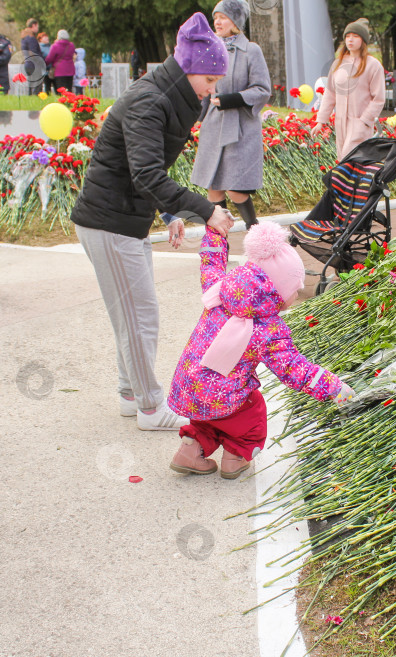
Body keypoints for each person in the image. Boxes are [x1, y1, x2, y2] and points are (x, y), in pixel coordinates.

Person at [70, 13, 235, 431]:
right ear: (191, 68)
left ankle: (130, 394)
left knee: (134, 314)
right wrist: (205, 209)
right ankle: (149, 406)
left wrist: (168, 211)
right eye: (210, 80)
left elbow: (143, 167)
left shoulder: (165, 94)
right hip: (109, 222)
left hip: (125, 220)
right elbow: (146, 174)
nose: (211, 90)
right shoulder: (151, 101)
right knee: (139, 317)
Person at [167, 222, 354, 478]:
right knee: (252, 411)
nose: (296, 296)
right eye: (294, 290)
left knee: (208, 415)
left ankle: (189, 450)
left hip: (187, 387)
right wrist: (333, 387)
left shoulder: (220, 289)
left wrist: (215, 233)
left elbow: (210, 263)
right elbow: (294, 368)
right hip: (222, 399)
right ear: (276, 290)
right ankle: (235, 458)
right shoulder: (268, 327)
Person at [191, 0, 271, 230]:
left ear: (236, 22)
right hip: (214, 125)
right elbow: (203, 90)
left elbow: (263, 89)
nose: (217, 21)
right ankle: (218, 248)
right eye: (215, 17)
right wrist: (194, 120)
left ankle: (257, 235)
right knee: (213, 188)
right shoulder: (210, 48)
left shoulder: (251, 50)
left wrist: (233, 99)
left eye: (223, 17)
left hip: (241, 128)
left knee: (237, 189)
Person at [313, 18, 386, 160]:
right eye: (347, 36)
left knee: (351, 159)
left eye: (355, 36)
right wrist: (321, 120)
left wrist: (364, 120)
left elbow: (378, 99)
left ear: (363, 40)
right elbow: (330, 94)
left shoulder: (373, 65)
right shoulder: (338, 64)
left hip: (359, 123)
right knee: (344, 163)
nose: (350, 40)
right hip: (340, 122)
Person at [21, 19, 43, 94]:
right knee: (37, 86)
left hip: (27, 64)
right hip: (34, 64)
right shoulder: (31, 38)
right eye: (37, 26)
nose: (37, 28)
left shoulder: (24, 37)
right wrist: (42, 62)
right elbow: (33, 53)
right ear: (33, 25)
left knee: (31, 86)